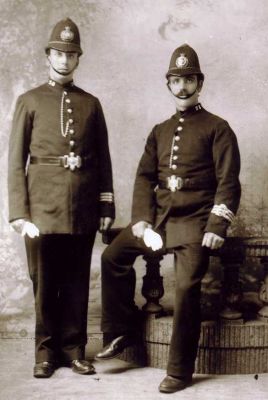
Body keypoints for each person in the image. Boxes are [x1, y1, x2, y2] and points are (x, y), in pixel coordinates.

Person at [95, 44, 241, 393]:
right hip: (158, 220)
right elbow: (145, 177)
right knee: (112, 257)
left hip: (195, 221)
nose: (182, 87)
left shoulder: (218, 128)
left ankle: (179, 370)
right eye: (175, 80)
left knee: (187, 287)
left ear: (199, 83)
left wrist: (217, 226)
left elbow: (229, 181)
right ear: (169, 85)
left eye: (188, 80)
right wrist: (142, 220)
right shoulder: (160, 130)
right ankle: (122, 332)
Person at [8, 18, 115, 378]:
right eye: (58, 52)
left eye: (71, 54)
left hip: (82, 207)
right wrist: (20, 213)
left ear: (78, 59)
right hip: (41, 209)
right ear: (48, 56)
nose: (64, 59)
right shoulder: (30, 100)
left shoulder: (91, 104)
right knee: (44, 280)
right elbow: (14, 162)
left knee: (76, 280)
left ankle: (74, 350)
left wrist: (104, 205)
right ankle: (44, 353)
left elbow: (102, 158)